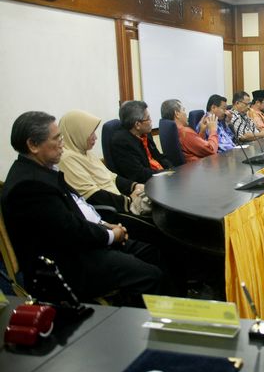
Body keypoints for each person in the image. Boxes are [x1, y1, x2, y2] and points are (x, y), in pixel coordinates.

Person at [1, 111, 165, 303]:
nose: (62, 144)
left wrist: (105, 226)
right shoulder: (29, 186)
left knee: (153, 253)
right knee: (151, 276)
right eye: (57, 138)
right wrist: (111, 235)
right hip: (67, 264)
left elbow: (77, 211)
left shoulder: (42, 170)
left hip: (84, 242)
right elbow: (70, 230)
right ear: (33, 145)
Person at [57, 110, 147, 216]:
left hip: (119, 202)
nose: (95, 137)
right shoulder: (66, 159)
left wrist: (134, 186)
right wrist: (129, 200)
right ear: (77, 133)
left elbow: (110, 177)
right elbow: (92, 195)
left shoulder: (84, 151)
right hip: (112, 213)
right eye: (91, 133)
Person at [111, 100, 172, 183]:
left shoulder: (145, 133)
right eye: (148, 118)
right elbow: (139, 174)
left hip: (160, 176)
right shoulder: (121, 142)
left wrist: (172, 170)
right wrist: (164, 174)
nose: (151, 121)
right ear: (137, 125)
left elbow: (158, 157)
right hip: (147, 183)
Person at [160, 99, 218, 163]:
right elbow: (211, 150)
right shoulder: (185, 132)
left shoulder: (173, 131)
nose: (186, 114)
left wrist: (202, 131)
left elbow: (195, 147)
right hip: (200, 167)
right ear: (177, 114)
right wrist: (213, 130)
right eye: (183, 110)